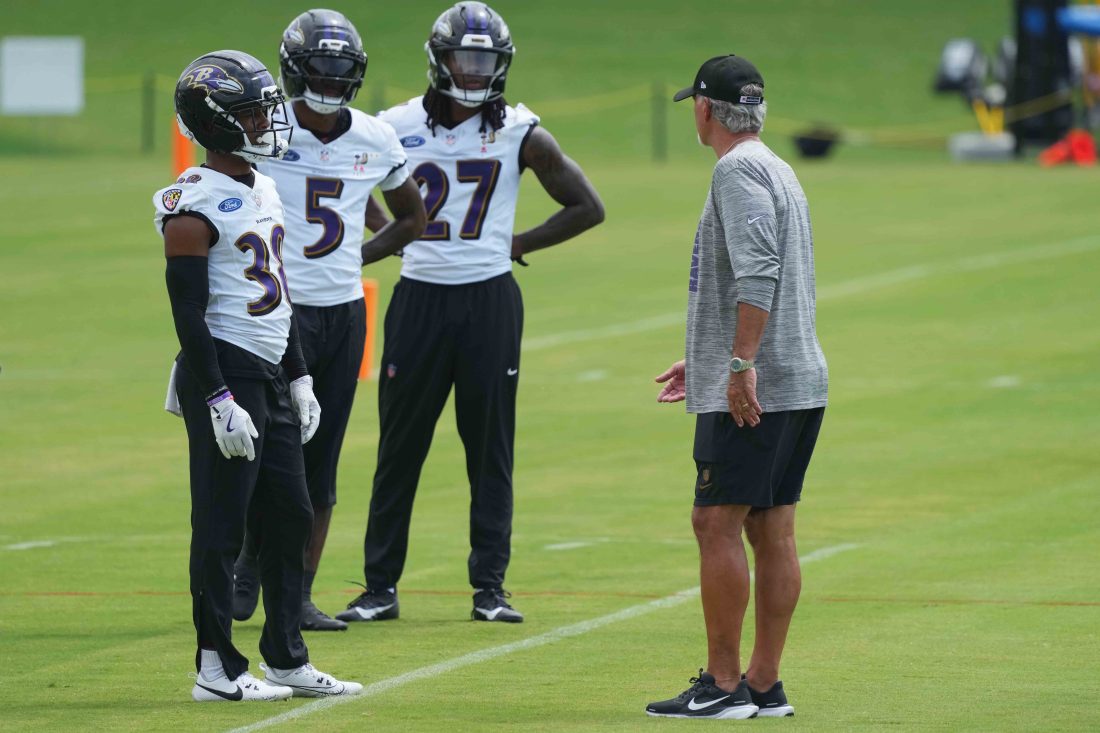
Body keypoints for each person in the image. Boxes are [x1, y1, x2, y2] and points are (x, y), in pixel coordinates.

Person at [335, 1, 604, 625]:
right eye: (466, 59)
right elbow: (347, 182)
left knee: (489, 447)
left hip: (489, 298)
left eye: (487, 60)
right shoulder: (394, 125)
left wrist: (516, 244)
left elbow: (587, 206)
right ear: (440, 60)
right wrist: (392, 232)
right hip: (419, 296)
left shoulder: (521, 130)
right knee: (400, 445)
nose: (477, 72)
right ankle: (380, 587)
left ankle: (490, 588)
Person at [156, 49, 361, 700]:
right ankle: (214, 665)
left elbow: (279, 290)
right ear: (214, 123)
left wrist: (298, 375)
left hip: (269, 367)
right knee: (222, 522)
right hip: (224, 365)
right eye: (251, 113)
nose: (266, 122)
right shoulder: (189, 206)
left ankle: (286, 657)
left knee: (291, 514)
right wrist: (217, 396)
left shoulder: (263, 185)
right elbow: (187, 312)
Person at [231, 8, 426, 633]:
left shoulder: (374, 137)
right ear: (294, 70)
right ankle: (245, 572)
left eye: (341, 70)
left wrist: (357, 254)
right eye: (320, 68)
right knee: (258, 449)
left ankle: (299, 596)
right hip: (269, 312)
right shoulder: (266, 129)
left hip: (342, 313)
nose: (331, 79)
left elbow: (412, 218)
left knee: (321, 460)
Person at [646, 55, 828, 719]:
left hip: (760, 386)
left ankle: (723, 684)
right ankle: (763, 682)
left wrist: (740, 365)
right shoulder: (776, 166)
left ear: (702, 109)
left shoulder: (737, 169)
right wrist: (709, 358)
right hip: (797, 377)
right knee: (772, 528)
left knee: (714, 520)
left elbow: (759, 273)